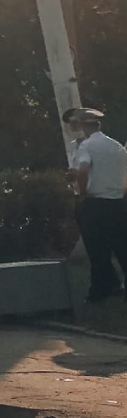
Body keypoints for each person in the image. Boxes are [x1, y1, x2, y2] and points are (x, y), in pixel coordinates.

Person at [70, 108, 127, 302]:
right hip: (118, 202)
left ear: (84, 126)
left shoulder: (87, 146)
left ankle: (101, 289)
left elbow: (83, 170)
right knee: (122, 247)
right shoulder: (117, 146)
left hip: (96, 203)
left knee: (97, 250)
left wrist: (83, 191)